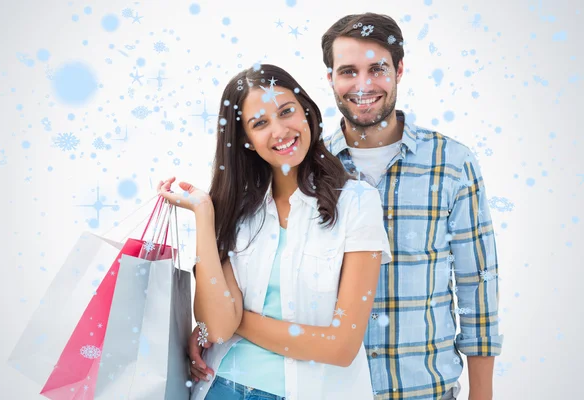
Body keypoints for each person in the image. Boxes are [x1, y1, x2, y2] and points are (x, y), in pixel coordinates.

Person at [190, 13, 503, 400]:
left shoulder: (451, 164)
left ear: (400, 69)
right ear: (330, 79)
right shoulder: (302, 165)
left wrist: (483, 395)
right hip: (329, 386)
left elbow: (478, 287)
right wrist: (211, 326)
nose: (363, 85)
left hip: (418, 385)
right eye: (348, 71)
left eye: (377, 68)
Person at [158, 63, 392, 400]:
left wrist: (238, 320)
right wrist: (205, 215)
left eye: (287, 112)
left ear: (307, 112)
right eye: (260, 124)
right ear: (247, 141)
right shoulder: (236, 210)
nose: (280, 131)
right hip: (220, 387)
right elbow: (218, 327)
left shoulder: (357, 203)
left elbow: (341, 347)